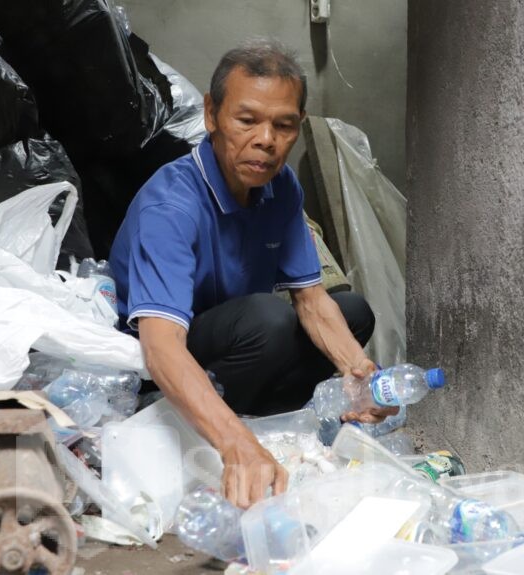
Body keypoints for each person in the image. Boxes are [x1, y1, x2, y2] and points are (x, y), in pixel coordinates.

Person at [110, 38, 395, 508]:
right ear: (212, 115)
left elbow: (311, 299)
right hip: (160, 365)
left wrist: (359, 373)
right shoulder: (171, 205)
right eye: (247, 120)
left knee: (353, 311)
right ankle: (233, 432)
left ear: (297, 128)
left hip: (235, 345)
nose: (266, 139)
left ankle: (263, 422)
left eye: (283, 126)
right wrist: (234, 445)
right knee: (268, 321)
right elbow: (159, 346)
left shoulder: (280, 187)